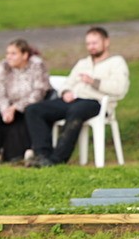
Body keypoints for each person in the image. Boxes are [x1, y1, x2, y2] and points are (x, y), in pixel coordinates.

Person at [24, 26, 130, 167]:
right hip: (73, 100)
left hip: (97, 102)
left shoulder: (116, 62)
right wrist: (66, 92)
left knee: (77, 110)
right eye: (88, 44)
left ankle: (57, 158)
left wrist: (94, 82)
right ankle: (43, 155)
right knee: (33, 110)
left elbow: (119, 88)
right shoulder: (83, 63)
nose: (91, 47)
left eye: (95, 43)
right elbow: (67, 83)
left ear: (106, 42)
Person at [0, 38, 50, 164]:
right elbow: (0, 92)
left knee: (31, 112)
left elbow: (39, 91)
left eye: (13, 54)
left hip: (32, 103)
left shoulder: (36, 65)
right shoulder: (3, 67)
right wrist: (5, 110)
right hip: (9, 104)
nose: (9, 57)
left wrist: (16, 107)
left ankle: (30, 152)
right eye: (7, 53)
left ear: (25, 55)